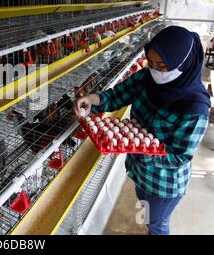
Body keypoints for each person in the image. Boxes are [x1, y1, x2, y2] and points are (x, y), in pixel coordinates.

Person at [74, 26, 211, 235]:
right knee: (146, 211)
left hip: (164, 183)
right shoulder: (146, 78)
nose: (155, 70)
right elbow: (115, 96)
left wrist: (143, 149)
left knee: (157, 224)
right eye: (152, 62)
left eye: (162, 65)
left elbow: (179, 156)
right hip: (140, 170)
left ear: (182, 64)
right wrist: (93, 100)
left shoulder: (195, 107)